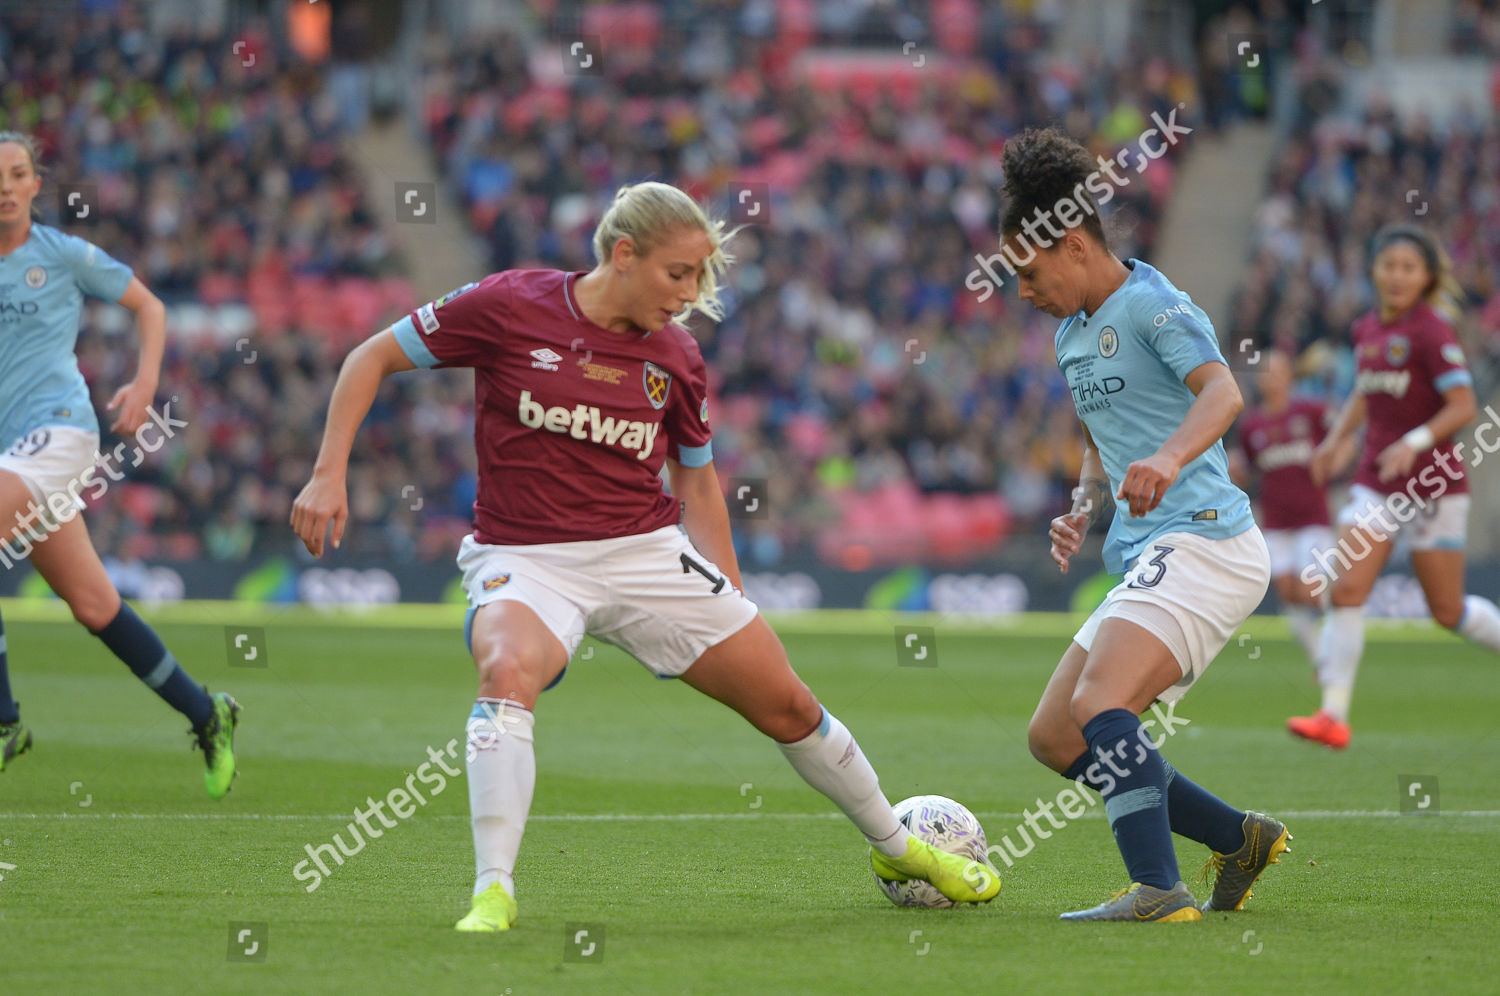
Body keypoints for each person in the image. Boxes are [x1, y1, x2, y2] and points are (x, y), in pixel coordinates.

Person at [290, 180, 1002, 932]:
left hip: (645, 553)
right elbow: (370, 356)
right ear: (624, 254)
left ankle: (898, 849)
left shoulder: (677, 357)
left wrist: (731, 593)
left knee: (790, 704)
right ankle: (492, 891)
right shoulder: (509, 304)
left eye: (700, 276)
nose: (690, 293)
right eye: (678, 273)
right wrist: (328, 473)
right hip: (528, 556)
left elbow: (696, 478)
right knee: (506, 670)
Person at [1006, 128, 1288, 922]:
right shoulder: (1070, 333)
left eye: (1028, 273)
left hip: (1207, 539)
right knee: (1056, 736)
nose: (1022, 292)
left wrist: (1168, 458)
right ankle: (1237, 838)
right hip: (1150, 550)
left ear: (1072, 244)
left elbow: (1223, 393)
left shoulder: (1155, 304)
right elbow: (1101, 435)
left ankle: (1159, 889)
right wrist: (1081, 506)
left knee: (1101, 702)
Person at [0, 132, 238, 794]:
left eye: (17, 173)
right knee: (94, 604)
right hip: (11, 456)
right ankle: (207, 713)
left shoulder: (63, 254)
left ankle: (3, 721)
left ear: (35, 184)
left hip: (59, 435)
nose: (5, 186)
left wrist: (144, 383)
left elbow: (148, 306)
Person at [1294, 225, 1500, 748]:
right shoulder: (1366, 328)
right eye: (1389, 266)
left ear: (1427, 276)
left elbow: (1463, 406)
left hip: (1434, 485)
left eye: (1409, 268)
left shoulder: (1433, 331)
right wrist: (1336, 439)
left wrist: (1414, 441)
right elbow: (1366, 392)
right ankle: (1333, 715)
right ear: (1374, 271)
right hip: (1377, 482)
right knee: (1346, 588)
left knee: (1447, 611)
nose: (1397, 276)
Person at [1232, 350, 1339, 667]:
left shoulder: (1310, 411)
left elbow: (1346, 438)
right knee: (1288, 593)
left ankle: (1343, 617)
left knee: (1308, 592)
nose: (1271, 379)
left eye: (1277, 372)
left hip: (1312, 517)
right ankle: (1321, 659)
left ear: (1290, 376)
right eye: (1265, 373)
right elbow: (1248, 470)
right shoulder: (1252, 424)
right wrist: (1235, 472)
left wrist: (1333, 464)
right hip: (1276, 521)